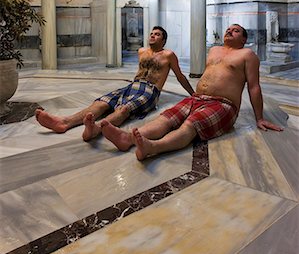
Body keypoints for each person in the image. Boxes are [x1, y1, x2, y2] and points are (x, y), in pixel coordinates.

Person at [99, 24, 283, 160]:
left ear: (244, 39)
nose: (229, 31)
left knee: (190, 125)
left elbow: (254, 86)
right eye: (228, 28)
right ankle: (126, 138)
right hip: (197, 98)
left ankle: (153, 147)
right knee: (165, 119)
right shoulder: (214, 50)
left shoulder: (247, 55)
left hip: (223, 104)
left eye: (235, 30)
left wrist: (259, 118)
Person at [35, 26, 194, 140]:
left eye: (157, 34)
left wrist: (193, 94)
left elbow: (180, 76)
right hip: (133, 85)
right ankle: (64, 122)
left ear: (164, 40)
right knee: (101, 103)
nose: (152, 36)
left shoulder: (168, 55)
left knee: (124, 108)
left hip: (150, 90)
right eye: (151, 33)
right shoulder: (141, 51)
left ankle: (96, 129)